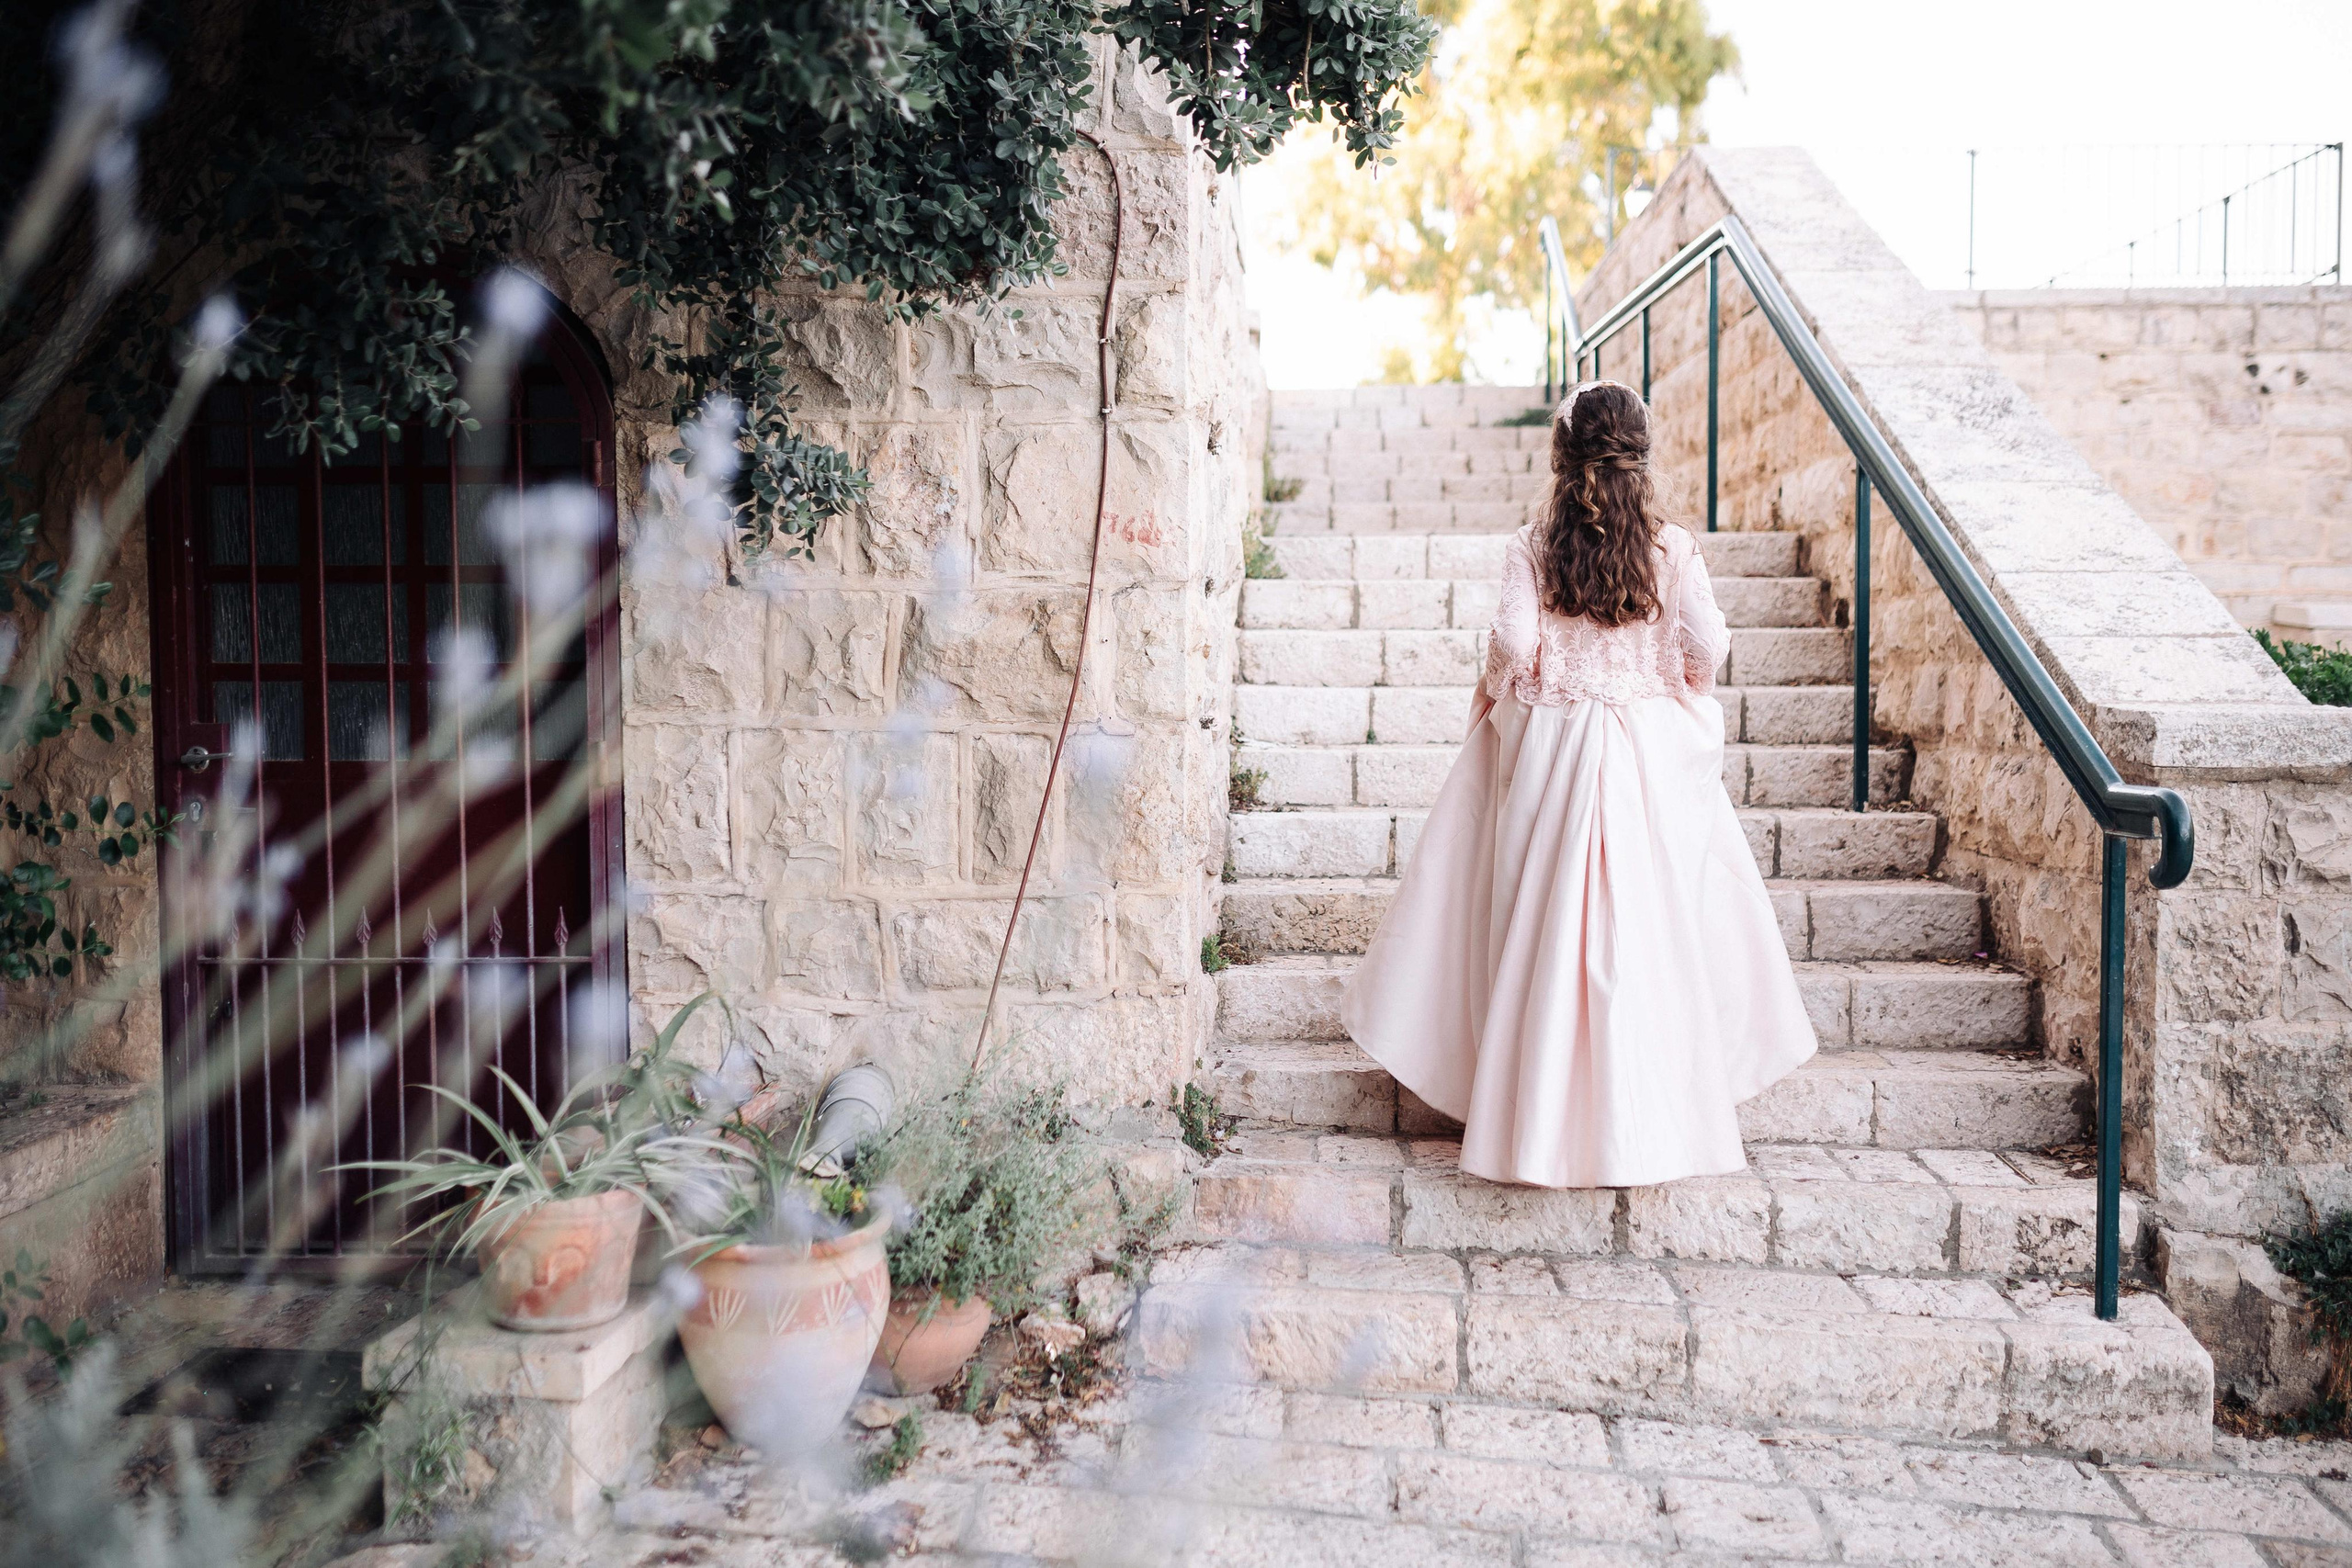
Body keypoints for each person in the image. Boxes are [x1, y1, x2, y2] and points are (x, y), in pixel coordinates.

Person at [1339, 379, 1816, 1189]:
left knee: (1545, 924)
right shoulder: (1673, 549)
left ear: (1560, 461)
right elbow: (1707, 648)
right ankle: (1651, 1116)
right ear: (1643, 457)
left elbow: (1515, 644)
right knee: (1651, 930)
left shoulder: (1531, 547)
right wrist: (1666, 672)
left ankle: (1537, 1118)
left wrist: (1504, 684)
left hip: (1558, 754)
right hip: (1643, 758)